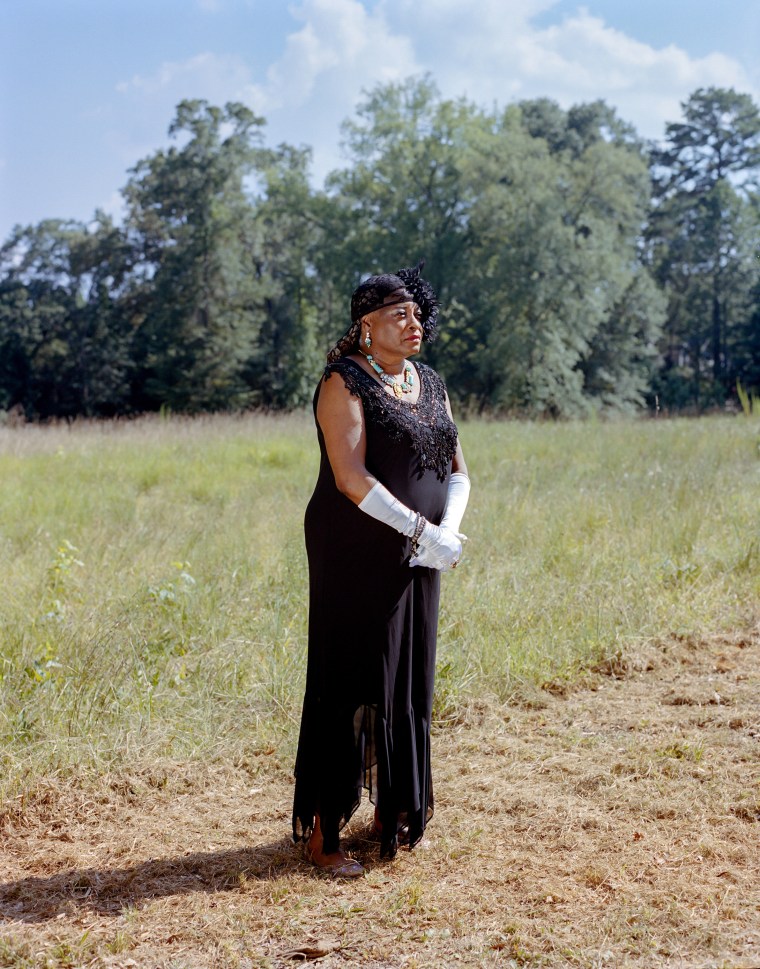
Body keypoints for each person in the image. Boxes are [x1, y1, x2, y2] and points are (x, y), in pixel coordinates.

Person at [292, 261, 471, 877]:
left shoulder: (431, 381)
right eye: (401, 314)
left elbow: (457, 468)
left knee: (407, 674)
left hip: (422, 551)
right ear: (367, 325)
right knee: (351, 677)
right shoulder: (343, 382)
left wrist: (446, 531)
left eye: (418, 314)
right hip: (354, 548)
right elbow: (350, 478)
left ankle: (390, 808)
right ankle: (324, 832)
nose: (414, 323)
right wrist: (421, 529)